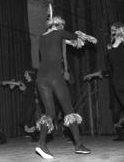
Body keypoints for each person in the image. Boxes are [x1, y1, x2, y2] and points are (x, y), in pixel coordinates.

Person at [35, 12, 95, 159]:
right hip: (55, 77)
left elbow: (59, 43)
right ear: (60, 25)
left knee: (50, 113)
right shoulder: (60, 33)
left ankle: (41, 143)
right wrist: (86, 37)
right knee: (69, 109)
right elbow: (75, 36)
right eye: (62, 26)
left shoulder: (42, 37)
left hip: (41, 79)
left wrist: (69, 41)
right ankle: (79, 145)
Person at [0, 69, 38, 141]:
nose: (24, 75)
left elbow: (19, 85)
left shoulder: (32, 83)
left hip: (31, 105)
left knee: (26, 123)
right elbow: (12, 87)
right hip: (26, 105)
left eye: (26, 73)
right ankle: (36, 134)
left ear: (30, 75)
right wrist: (12, 82)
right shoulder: (25, 83)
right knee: (22, 122)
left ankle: (37, 134)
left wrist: (6, 82)